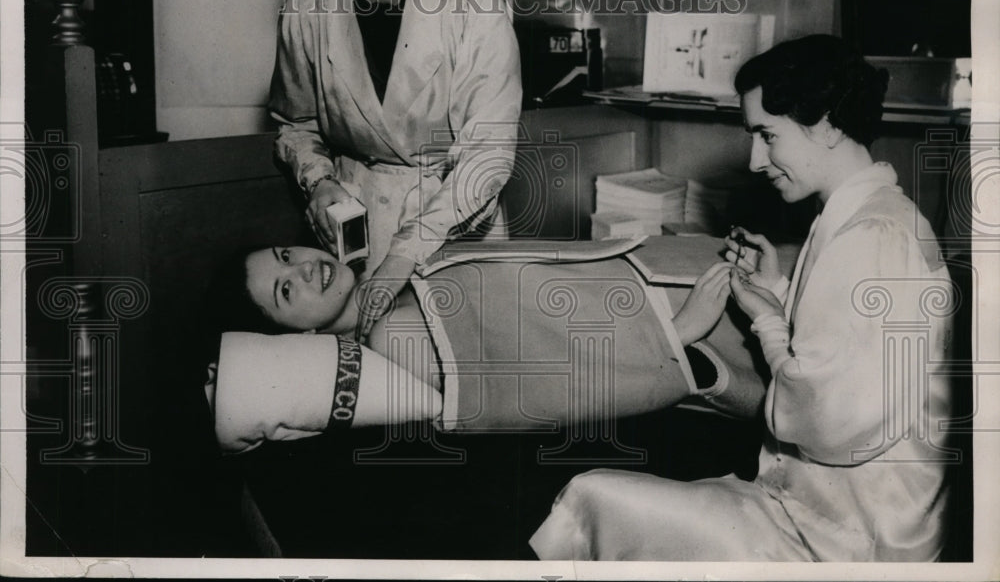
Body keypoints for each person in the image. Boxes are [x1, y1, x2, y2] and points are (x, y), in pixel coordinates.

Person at [529, 35, 956, 562]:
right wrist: (778, 288)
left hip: (847, 539)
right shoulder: (869, 214)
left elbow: (829, 421)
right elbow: (852, 356)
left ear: (825, 124)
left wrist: (770, 322)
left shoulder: (872, 236)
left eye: (767, 135)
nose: (756, 160)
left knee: (588, 497)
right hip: (835, 510)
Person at [268, 0, 522, 339]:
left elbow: (487, 156)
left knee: (457, 369)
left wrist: (405, 254)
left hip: (455, 226)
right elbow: (295, 125)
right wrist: (319, 182)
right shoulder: (306, 11)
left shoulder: (475, 7)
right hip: (353, 234)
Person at [203, 238, 771, 455]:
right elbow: (546, 391)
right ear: (299, 337)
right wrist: (678, 335)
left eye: (284, 255)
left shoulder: (393, 269)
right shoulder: (392, 339)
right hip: (681, 324)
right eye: (285, 290)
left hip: (669, 274)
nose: (303, 268)